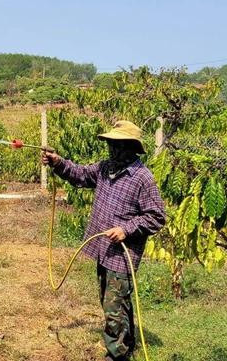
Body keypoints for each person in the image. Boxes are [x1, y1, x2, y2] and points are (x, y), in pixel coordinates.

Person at [41, 120, 166, 361]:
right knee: (116, 303)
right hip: (103, 250)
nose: (112, 149)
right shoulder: (104, 168)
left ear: (131, 147)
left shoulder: (142, 178)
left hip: (122, 255)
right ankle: (125, 345)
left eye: (118, 145)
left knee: (113, 307)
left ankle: (117, 355)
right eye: (110, 144)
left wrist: (126, 229)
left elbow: (157, 217)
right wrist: (58, 163)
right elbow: (80, 175)